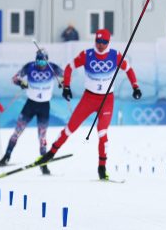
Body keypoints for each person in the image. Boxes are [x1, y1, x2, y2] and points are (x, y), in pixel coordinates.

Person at [36, 29, 143, 180]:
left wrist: (136, 87)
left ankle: (101, 168)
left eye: (104, 42)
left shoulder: (116, 55)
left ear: (108, 42)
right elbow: (69, 67)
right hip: (89, 99)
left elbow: (129, 70)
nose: (100, 45)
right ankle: (49, 155)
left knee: (102, 133)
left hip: (106, 100)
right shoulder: (87, 55)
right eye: (98, 42)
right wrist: (66, 86)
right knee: (69, 128)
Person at [0, 49, 63, 175]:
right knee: (17, 132)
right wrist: (21, 82)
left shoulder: (52, 67)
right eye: (39, 60)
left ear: (47, 60)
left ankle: (43, 163)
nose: (41, 64)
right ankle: (6, 157)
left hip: (44, 106)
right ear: (36, 59)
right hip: (30, 105)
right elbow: (14, 79)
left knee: (42, 137)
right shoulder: (29, 66)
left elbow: (66, 76)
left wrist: (64, 82)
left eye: (43, 61)